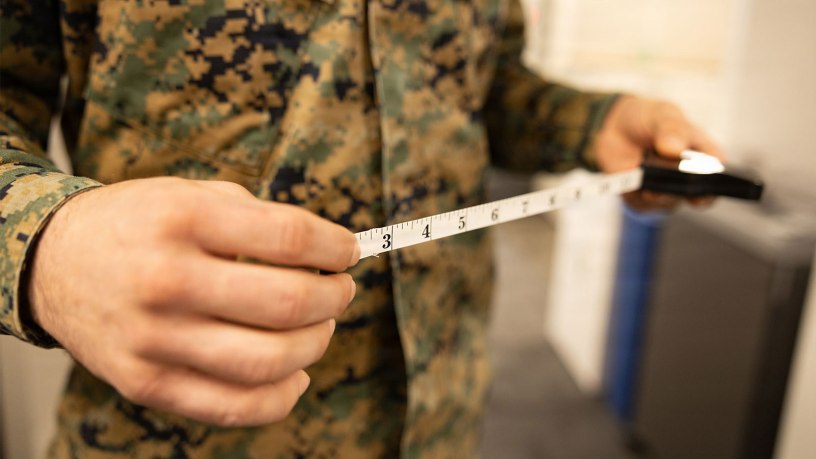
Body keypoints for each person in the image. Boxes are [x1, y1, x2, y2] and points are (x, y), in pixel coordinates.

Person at [0, 0, 720, 456]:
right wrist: (49, 246)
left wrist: (588, 121)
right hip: (189, 433)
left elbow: (480, 81)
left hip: (444, 415)